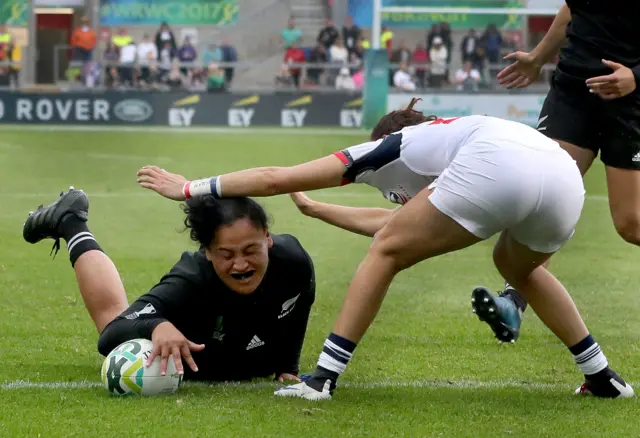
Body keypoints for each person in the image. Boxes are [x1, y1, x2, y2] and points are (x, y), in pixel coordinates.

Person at [136, 99, 634, 400]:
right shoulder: (451, 145)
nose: (391, 194)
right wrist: (319, 212)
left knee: (386, 253)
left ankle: (323, 379)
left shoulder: (391, 147)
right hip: (565, 176)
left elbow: (275, 178)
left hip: (505, 166)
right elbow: (404, 222)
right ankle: (602, 376)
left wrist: (190, 188)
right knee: (516, 267)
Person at [22, 189, 315, 383]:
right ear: (208, 251)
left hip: (238, 357)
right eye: (227, 255)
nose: (241, 265)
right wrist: (156, 326)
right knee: (115, 319)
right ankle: (72, 223)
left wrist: (288, 367)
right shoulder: (191, 280)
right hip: (195, 358)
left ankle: (71, 220)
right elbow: (111, 334)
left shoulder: (294, 263)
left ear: (268, 237)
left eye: (251, 250)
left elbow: (300, 301)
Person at [487, 1, 640, 343]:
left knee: (631, 223)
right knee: (539, 195)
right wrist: (538, 58)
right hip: (572, 94)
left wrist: (636, 76)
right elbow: (572, 11)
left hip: (628, 104)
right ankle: (513, 300)